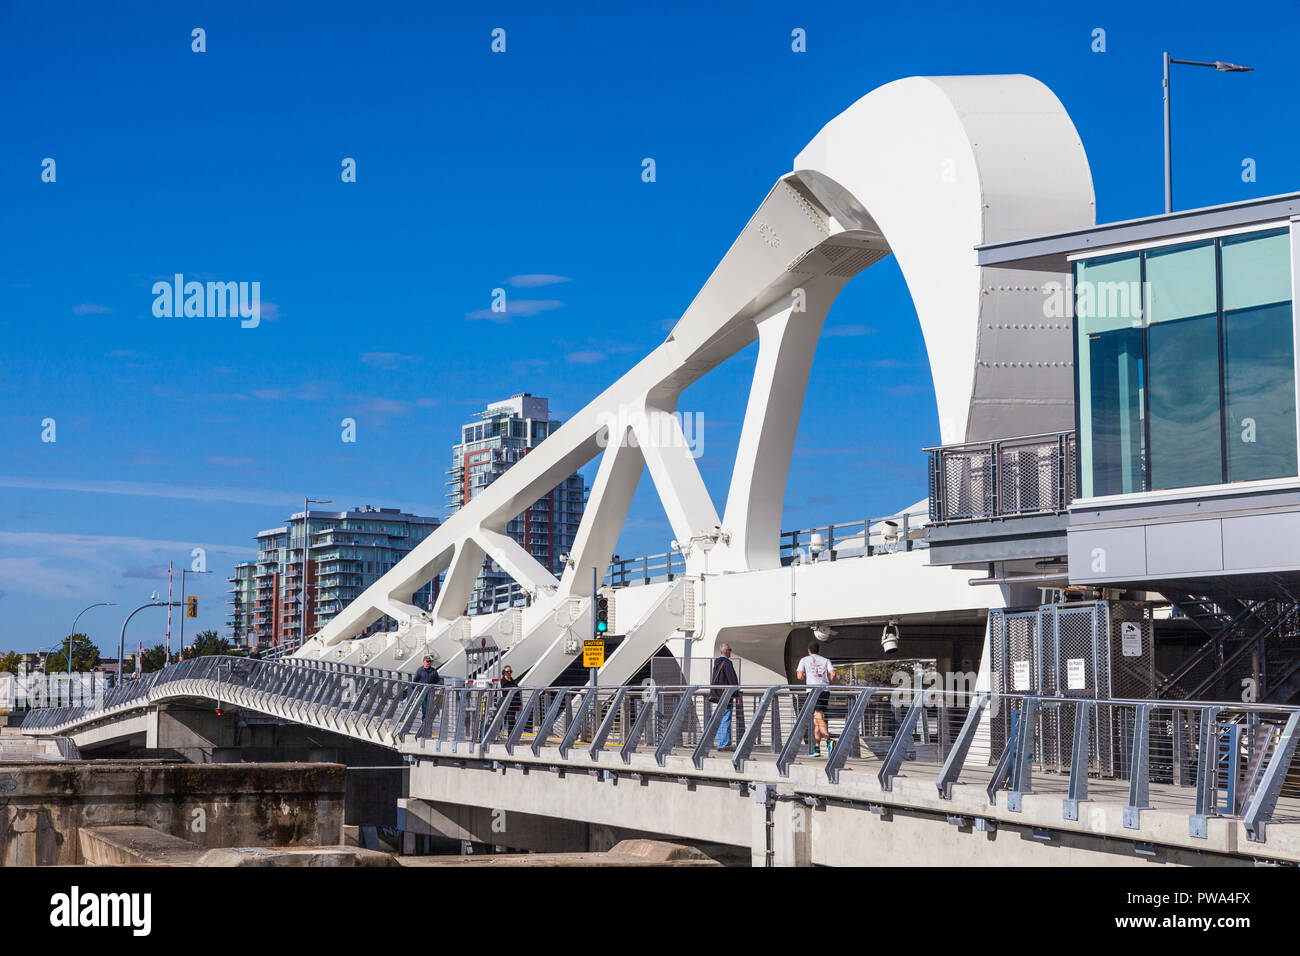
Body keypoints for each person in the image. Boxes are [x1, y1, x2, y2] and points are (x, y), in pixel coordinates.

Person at [796, 641, 837, 757]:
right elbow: (833, 673)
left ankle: (829, 741)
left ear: (809, 651)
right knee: (816, 720)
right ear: (819, 651)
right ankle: (817, 748)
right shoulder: (825, 660)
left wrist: (804, 675)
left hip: (813, 691)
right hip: (824, 691)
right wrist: (830, 682)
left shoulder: (804, 660)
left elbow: (799, 676)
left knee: (818, 717)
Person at [709, 644, 740, 751]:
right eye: (730, 650)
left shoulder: (716, 663)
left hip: (717, 695)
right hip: (726, 696)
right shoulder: (727, 663)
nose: (730, 652)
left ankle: (721, 743)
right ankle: (724, 744)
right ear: (726, 651)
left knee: (721, 719)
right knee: (726, 718)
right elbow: (732, 680)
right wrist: (737, 695)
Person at [499, 665, 521, 732]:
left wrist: (519, 704)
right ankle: (496, 735)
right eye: (507, 671)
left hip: (513, 704)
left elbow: (517, 693)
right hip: (505, 703)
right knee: (501, 720)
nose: (509, 673)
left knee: (511, 720)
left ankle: (510, 737)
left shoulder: (513, 681)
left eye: (510, 671)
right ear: (504, 672)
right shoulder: (501, 682)